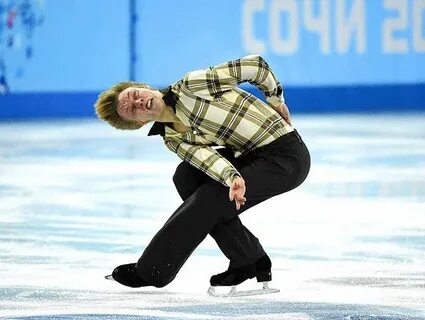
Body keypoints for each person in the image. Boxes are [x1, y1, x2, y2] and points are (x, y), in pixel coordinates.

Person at [94, 55, 310, 289]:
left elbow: (256, 66)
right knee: (187, 177)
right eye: (132, 110)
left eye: (134, 95)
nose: (137, 102)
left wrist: (276, 101)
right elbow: (206, 161)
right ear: (138, 123)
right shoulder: (172, 138)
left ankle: (151, 270)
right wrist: (233, 177)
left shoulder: (191, 86)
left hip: (286, 156)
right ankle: (248, 259)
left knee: (209, 200)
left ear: (144, 87)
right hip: (250, 156)